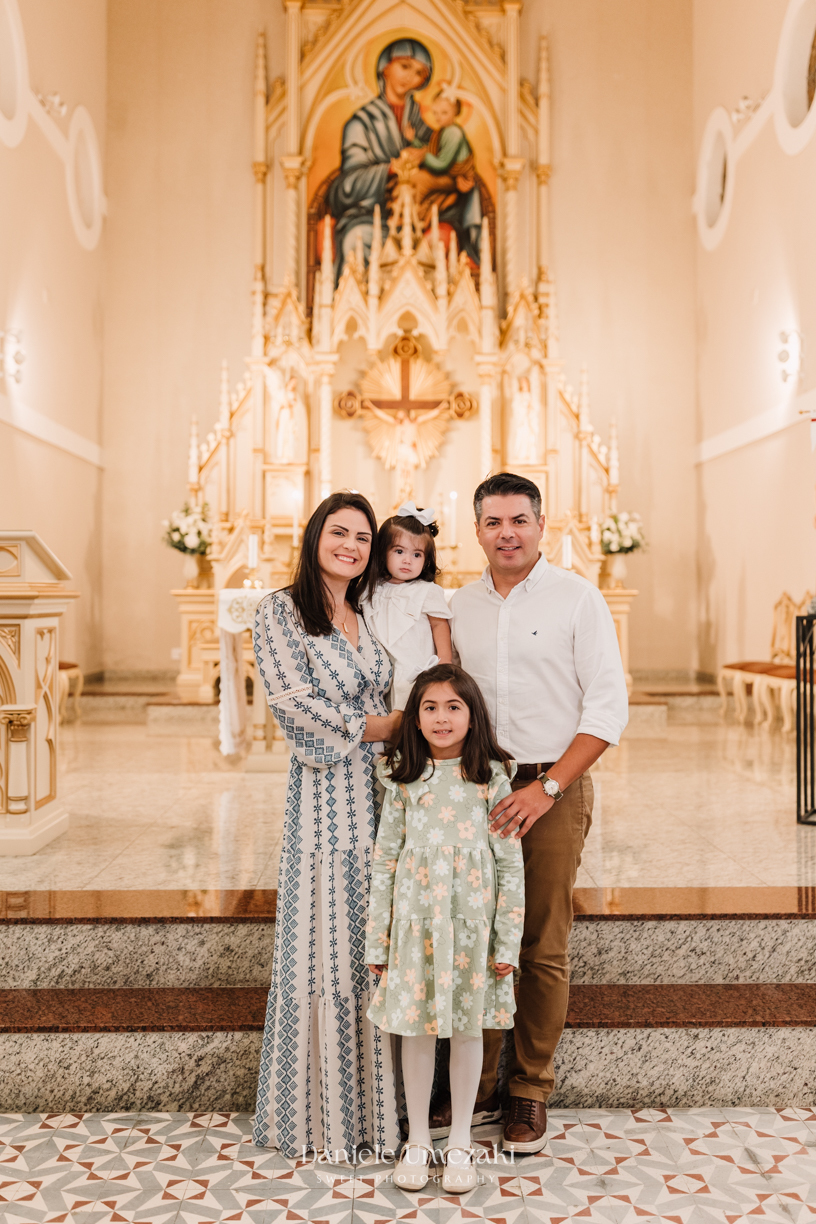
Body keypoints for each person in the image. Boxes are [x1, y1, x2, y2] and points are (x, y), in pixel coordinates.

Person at [442, 471, 629, 1153]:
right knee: (477, 943)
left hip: (551, 790)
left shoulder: (579, 599)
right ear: (478, 530)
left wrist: (546, 788)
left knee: (541, 944)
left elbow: (607, 709)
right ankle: (472, 1082)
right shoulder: (459, 606)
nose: (507, 534)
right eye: (493, 523)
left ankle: (528, 1090)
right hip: (477, 793)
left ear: (541, 524)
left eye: (519, 520)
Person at [252, 491, 402, 1159]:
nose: (351, 545)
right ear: (314, 537)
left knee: (372, 945)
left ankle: (376, 1115)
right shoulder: (281, 611)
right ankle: (320, 1118)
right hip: (323, 798)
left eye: (363, 538)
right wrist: (387, 727)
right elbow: (297, 711)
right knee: (326, 946)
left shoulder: (364, 612)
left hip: (378, 798)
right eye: (338, 532)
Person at [365, 663, 524, 1192]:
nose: (441, 717)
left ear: (473, 717)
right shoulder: (403, 780)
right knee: (414, 1027)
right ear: (414, 718)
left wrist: (507, 940)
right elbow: (385, 861)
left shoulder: (490, 780)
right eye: (429, 707)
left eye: (453, 707)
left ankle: (459, 1138)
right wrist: (378, 938)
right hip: (415, 929)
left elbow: (509, 864)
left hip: (473, 931)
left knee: (467, 1028)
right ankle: (417, 1142)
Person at [326, 39, 433, 283]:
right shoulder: (360, 124)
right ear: (385, 67)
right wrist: (390, 170)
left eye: (419, 73)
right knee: (358, 239)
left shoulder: (423, 124)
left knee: (442, 240)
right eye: (404, 66)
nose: (410, 77)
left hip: (418, 221)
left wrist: (428, 156)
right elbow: (345, 188)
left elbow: (445, 162)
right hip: (372, 217)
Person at [366, 501, 453, 709]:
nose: (408, 561)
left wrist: (445, 666)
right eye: (399, 552)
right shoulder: (370, 590)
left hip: (416, 667)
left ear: (426, 559)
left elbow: (439, 626)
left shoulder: (426, 591)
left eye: (416, 554)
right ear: (382, 551)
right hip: (380, 672)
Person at [407, 88, 480, 249]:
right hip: (449, 176)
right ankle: (415, 219)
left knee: (419, 180)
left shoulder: (454, 132)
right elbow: (431, 149)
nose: (439, 117)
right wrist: (415, 142)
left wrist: (423, 156)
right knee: (412, 180)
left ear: (455, 112)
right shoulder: (444, 131)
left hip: (456, 179)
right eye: (436, 113)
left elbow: (442, 164)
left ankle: (416, 221)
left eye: (444, 113)